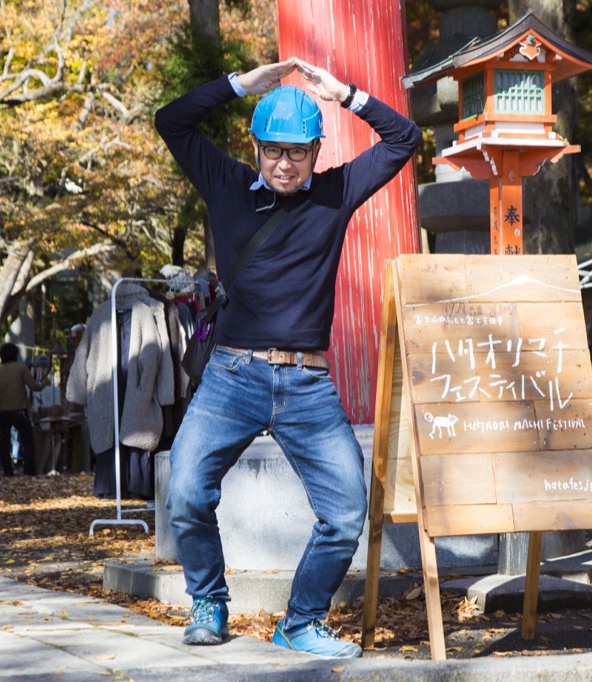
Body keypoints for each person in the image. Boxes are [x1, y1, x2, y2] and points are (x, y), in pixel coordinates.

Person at [155, 57, 420, 658]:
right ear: (255, 148)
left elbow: (405, 138)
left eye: (298, 152)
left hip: (307, 383)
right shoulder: (223, 184)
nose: (284, 163)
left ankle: (301, 621)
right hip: (232, 375)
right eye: (273, 150)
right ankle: (210, 602)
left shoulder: (337, 192)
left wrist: (345, 94)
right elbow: (171, 121)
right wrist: (241, 85)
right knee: (188, 493)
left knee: (347, 512)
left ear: (316, 152)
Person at [0, 343, 45, 476]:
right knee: (27, 440)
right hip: (20, 410)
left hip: (3, 411)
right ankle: (29, 469)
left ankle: (8, 470)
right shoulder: (22, 368)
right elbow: (33, 386)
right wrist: (41, 385)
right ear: (15, 355)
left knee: (4, 442)